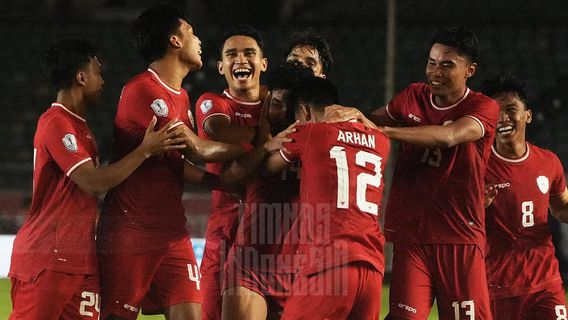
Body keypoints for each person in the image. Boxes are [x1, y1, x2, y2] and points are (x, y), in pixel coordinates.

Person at [326, 26, 499, 319]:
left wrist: (385, 130)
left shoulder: (483, 106)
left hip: (459, 236)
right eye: (432, 62)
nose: (436, 71)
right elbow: (367, 123)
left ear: (470, 70)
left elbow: (450, 136)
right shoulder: (412, 97)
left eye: (447, 65)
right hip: (411, 235)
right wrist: (349, 115)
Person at [9, 39, 185, 319]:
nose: (102, 80)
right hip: (48, 256)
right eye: (97, 72)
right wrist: (144, 151)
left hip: (81, 259)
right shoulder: (56, 122)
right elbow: (93, 182)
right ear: (81, 77)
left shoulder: (82, 128)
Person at [96, 5, 250, 320]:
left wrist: (220, 183)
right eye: (191, 32)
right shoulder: (142, 89)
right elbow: (197, 150)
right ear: (175, 41)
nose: (199, 40)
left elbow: (176, 163)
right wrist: (254, 145)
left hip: (172, 232)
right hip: (130, 229)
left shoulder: (179, 97)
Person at [261, 77, 390, 319]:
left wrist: (267, 142)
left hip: (329, 265)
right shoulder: (380, 141)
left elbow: (265, 169)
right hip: (372, 269)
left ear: (304, 110)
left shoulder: (308, 132)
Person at [221, 62, 314, 320]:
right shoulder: (255, 137)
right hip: (250, 265)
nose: (278, 112)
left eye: (287, 104)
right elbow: (229, 179)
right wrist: (265, 147)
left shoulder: (318, 139)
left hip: (297, 271)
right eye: (274, 102)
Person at [194, 24, 268, 320]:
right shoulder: (213, 103)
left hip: (273, 233)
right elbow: (220, 131)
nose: (241, 59)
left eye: (249, 53)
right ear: (222, 66)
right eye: (231, 54)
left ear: (263, 63)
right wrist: (266, 134)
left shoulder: (279, 105)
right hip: (226, 230)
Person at [481, 74, 568, 320]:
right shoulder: (477, 166)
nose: (503, 118)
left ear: (527, 115)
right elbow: (457, 219)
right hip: (497, 285)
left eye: (511, 110)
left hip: (545, 283)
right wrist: (478, 205)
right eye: (496, 112)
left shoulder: (548, 161)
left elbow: (561, 208)